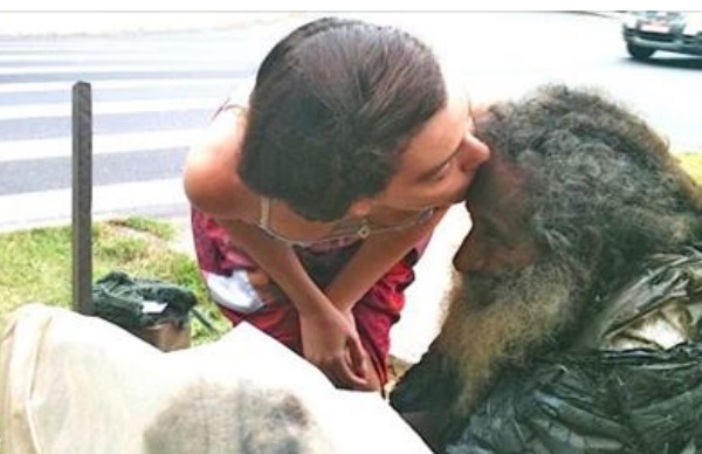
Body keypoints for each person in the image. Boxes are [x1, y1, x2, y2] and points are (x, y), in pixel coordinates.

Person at [183, 16, 490, 392]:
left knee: (359, 381)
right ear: (362, 203)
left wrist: (338, 304)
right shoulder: (221, 177)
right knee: (288, 380)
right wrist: (311, 309)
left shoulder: (438, 115)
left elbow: (416, 219)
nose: (482, 153)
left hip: (377, 248)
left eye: (465, 124)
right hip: (261, 247)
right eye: (440, 170)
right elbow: (237, 222)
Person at [389, 85, 702, 452]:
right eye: (474, 225)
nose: (466, 259)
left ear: (579, 250)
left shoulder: (633, 356)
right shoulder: (549, 288)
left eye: (494, 235)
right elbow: (426, 409)